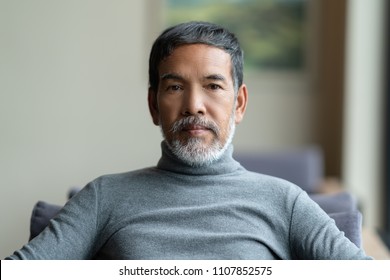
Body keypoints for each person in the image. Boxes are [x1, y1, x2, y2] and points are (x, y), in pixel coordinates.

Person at [6, 21, 372, 260]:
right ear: (153, 105)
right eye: (176, 87)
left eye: (213, 86)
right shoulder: (103, 197)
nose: (194, 106)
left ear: (239, 103)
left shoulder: (285, 201)